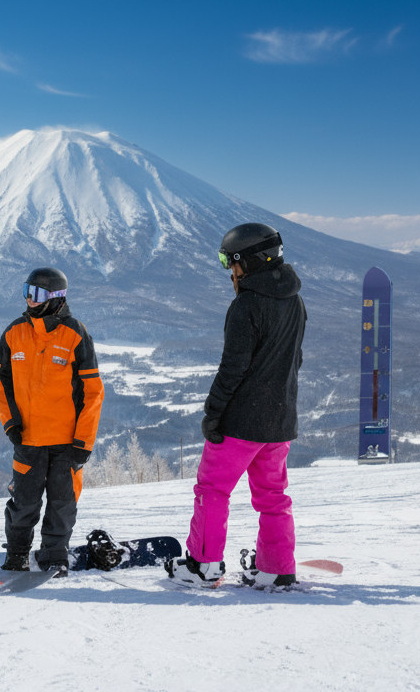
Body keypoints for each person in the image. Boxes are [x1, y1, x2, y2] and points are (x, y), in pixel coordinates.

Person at [166, 223, 307, 589]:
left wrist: (214, 413)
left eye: (230, 261)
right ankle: (277, 569)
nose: (230, 270)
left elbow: (232, 369)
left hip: (241, 423)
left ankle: (203, 565)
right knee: (273, 497)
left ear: (247, 261)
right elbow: (296, 361)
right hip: (279, 422)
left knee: (212, 490)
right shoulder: (294, 300)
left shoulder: (246, 305)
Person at [0, 267, 104, 576]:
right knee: (23, 504)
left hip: (67, 443)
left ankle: (53, 557)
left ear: (55, 298)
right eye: (26, 291)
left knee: (62, 505)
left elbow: (93, 392)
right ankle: (17, 555)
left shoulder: (75, 334)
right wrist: (10, 422)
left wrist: (84, 442)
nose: (28, 299)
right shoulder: (15, 332)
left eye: (36, 294)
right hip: (28, 440)